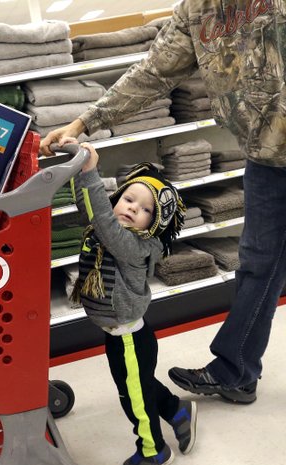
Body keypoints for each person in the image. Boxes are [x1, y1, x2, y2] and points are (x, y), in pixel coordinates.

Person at [40, 1, 285, 405]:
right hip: (267, 157)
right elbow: (155, 71)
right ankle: (236, 371)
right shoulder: (197, 10)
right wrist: (85, 122)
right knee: (258, 263)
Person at [63, 137, 194, 465]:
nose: (133, 207)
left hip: (129, 340)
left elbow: (103, 221)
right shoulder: (107, 228)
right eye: (129, 198)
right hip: (119, 334)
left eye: (146, 209)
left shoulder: (134, 246)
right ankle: (177, 412)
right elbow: (88, 207)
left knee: (133, 397)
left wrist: (92, 171)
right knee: (140, 384)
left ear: (155, 225)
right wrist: (80, 162)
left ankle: (154, 450)